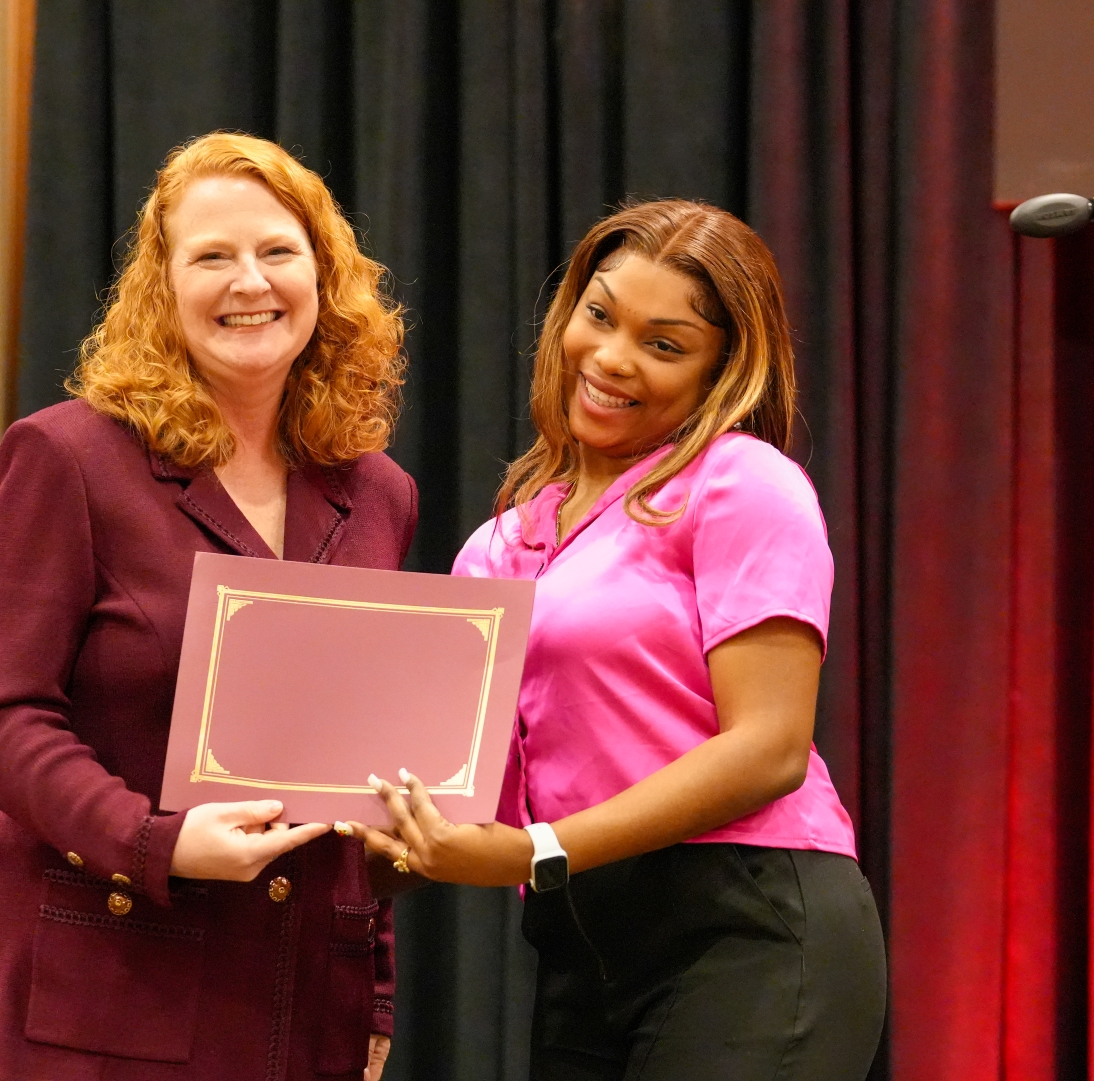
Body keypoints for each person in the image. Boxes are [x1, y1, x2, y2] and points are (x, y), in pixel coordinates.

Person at [351, 200, 888, 1080]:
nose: (610, 358)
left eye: (664, 343)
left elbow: (770, 747)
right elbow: (466, 805)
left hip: (747, 922)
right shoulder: (495, 547)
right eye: (599, 315)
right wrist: (356, 845)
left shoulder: (744, 483)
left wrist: (537, 850)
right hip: (580, 940)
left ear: (724, 367)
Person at [0, 132, 414, 1081]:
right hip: (111, 999)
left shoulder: (380, 495)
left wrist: (374, 986)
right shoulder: (67, 460)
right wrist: (153, 840)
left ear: (324, 276)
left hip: (303, 1006)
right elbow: (0, 721)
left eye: (278, 252)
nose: (250, 280)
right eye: (212, 256)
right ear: (162, 291)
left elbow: (358, 761)